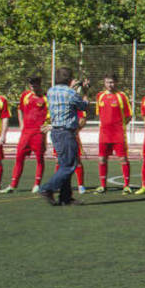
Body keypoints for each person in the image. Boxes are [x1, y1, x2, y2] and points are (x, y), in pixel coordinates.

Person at [37, 68, 91, 206]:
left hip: (55, 132)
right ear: (69, 79)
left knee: (63, 164)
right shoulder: (71, 93)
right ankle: (47, 188)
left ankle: (65, 197)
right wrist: (85, 91)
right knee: (70, 165)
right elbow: (83, 106)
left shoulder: (51, 91)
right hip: (67, 132)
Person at [4, 76, 47, 194]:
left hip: (38, 132)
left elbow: (50, 114)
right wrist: (21, 123)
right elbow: (20, 109)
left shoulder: (45, 97)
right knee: (19, 157)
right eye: (31, 84)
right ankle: (13, 184)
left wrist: (46, 127)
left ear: (40, 84)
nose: (33, 86)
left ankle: (37, 184)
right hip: (26, 132)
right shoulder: (25, 95)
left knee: (39, 158)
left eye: (35, 83)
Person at [93, 74, 133, 194]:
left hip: (118, 134)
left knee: (123, 159)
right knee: (102, 159)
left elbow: (129, 115)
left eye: (112, 82)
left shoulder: (121, 96)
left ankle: (126, 185)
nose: (110, 85)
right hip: (104, 134)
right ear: (104, 83)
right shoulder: (100, 96)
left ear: (116, 82)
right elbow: (99, 113)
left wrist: (119, 126)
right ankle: (102, 185)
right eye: (107, 82)